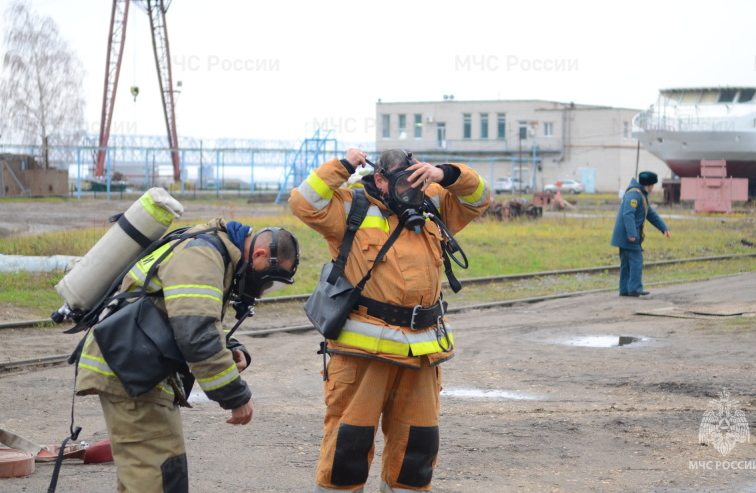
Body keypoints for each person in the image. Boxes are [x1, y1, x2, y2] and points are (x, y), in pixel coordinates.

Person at [289, 148, 490, 493]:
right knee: (347, 452)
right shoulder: (352, 208)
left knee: (416, 453)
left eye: (417, 180)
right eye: (404, 182)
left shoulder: (432, 204)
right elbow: (304, 202)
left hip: (422, 355)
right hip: (363, 356)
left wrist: (445, 174)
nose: (413, 190)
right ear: (380, 179)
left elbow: (479, 199)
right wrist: (344, 166)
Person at [75, 218, 299, 492]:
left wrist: (232, 346)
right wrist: (235, 396)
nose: (263, 288)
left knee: (155, 476)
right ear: (260, 254)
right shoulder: (203, 255)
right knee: (159, 480)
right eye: (269, 278)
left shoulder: (213, 251)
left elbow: (186, 316)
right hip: (131, 374)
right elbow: (195, 332)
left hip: (139, 370)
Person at [611, 171, 671, 297]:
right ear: (648, 185)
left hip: (625, 235)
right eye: (652, 185)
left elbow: (650, 213)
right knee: (636, 260)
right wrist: (632, 234)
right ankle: (634, 288)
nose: (653, 188)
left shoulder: (641, 195)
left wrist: (663, 228)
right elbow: (628, 214)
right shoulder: (634, 195)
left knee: (626, 263)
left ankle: (625, 289)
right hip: (628, 235)